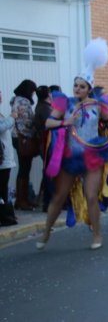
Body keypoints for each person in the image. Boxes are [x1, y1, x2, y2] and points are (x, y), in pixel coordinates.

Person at [37, 38, 108, 250]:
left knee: (91, 195)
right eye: (75, 84)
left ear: (89, 89)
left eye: (81, 86)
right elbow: (47, 122)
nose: (77, 88)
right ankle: (46, 232)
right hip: (70, 156)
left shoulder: (98, 105)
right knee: (59, 196)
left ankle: (97, 235)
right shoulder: (64, 104)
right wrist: (64, 122)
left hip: (92, 155)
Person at [10, 79, 38, 210]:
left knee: (23, 168)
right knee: (24, 169)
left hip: (17, 138)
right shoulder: (24, 102)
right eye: (32, 91)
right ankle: (22, 200)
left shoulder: (15, 100)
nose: (33, 94)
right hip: (24, 139)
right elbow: (28, 122)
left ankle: (21, 199)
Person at [34, 85, 53, 211]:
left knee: (48, 172)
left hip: (47, 143)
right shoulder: (45, 109)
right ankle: (48, 202)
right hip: (48, 143)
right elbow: (51, 125)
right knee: (50, 173)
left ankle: (45, 200)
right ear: (48, 94)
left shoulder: (41, 107)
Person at [0, 90, 18, 226]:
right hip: (2, 158)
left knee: (4, 187)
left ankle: (5, 214)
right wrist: (11, 118)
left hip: (5, 156)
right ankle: (4, 216)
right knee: (2, 187)